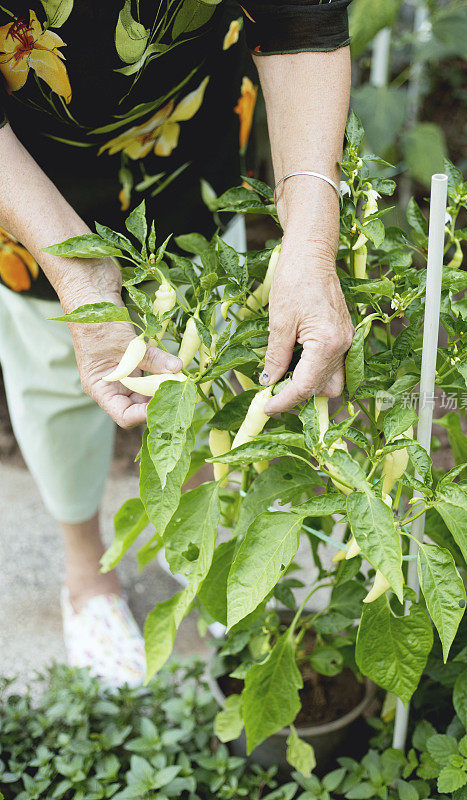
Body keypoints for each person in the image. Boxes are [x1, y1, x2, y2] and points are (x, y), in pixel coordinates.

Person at [0, 0, 354, 686]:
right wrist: (80, 276)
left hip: (185, 131)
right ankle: (85, 573)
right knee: (56, 364)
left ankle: (191, 542)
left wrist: (310, 241)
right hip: (27, 172)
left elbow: (302, 23)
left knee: (207, 345)